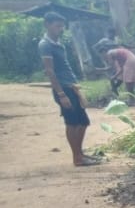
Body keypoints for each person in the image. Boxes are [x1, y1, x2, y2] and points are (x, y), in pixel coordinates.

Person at [38, 11, 98, 167]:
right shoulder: (45, 45)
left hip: (72, 87)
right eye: (57, 26)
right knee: (72, 123)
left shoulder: (59, 44)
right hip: (63, 89)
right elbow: (50, 71)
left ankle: (80, 153)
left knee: (83, 122)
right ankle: (77, 158)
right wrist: (61, 94)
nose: (60, 29)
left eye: (62, 26)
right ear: (47, 25)